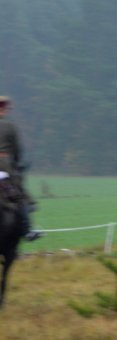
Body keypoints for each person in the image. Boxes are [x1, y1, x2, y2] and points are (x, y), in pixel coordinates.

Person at [0, 95, 41, 241]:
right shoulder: (10, 126)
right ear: (3, 108)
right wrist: (15, 163)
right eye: (5, 107)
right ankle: (27, 230)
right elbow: (17, 150)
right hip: (3, 166)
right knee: (18, 194)